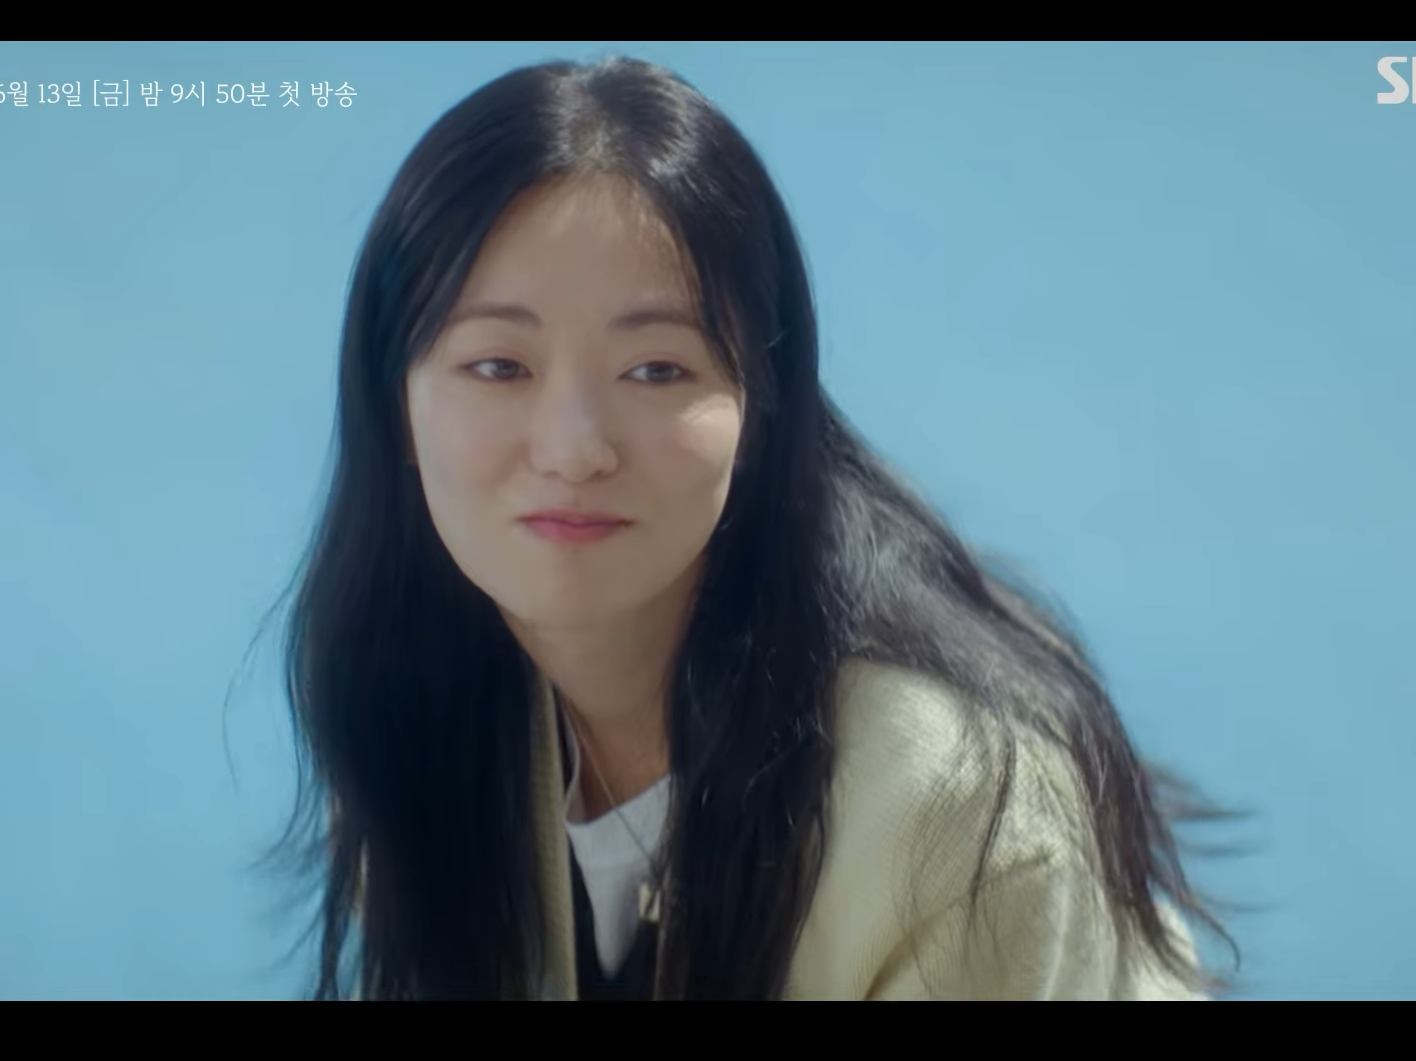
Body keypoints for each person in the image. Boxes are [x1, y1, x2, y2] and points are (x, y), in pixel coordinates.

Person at [273, 55, 1238, 1000]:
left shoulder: (951, 809)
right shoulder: (413, 701)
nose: (573, 449)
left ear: (759, 414)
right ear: (395, 407)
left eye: (657, 370)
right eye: (498, 367)